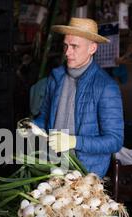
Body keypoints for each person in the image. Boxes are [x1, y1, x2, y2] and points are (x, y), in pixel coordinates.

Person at [27, 18, 124, 178]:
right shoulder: (56, 77)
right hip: (52, 166)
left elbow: (115, 140)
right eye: (66, 45)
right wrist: (32, 126)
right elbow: (45, 118)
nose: (67, 52)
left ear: (92, 48)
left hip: (86, 175)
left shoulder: (105, 87)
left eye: (74, 46)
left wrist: (74, 142)